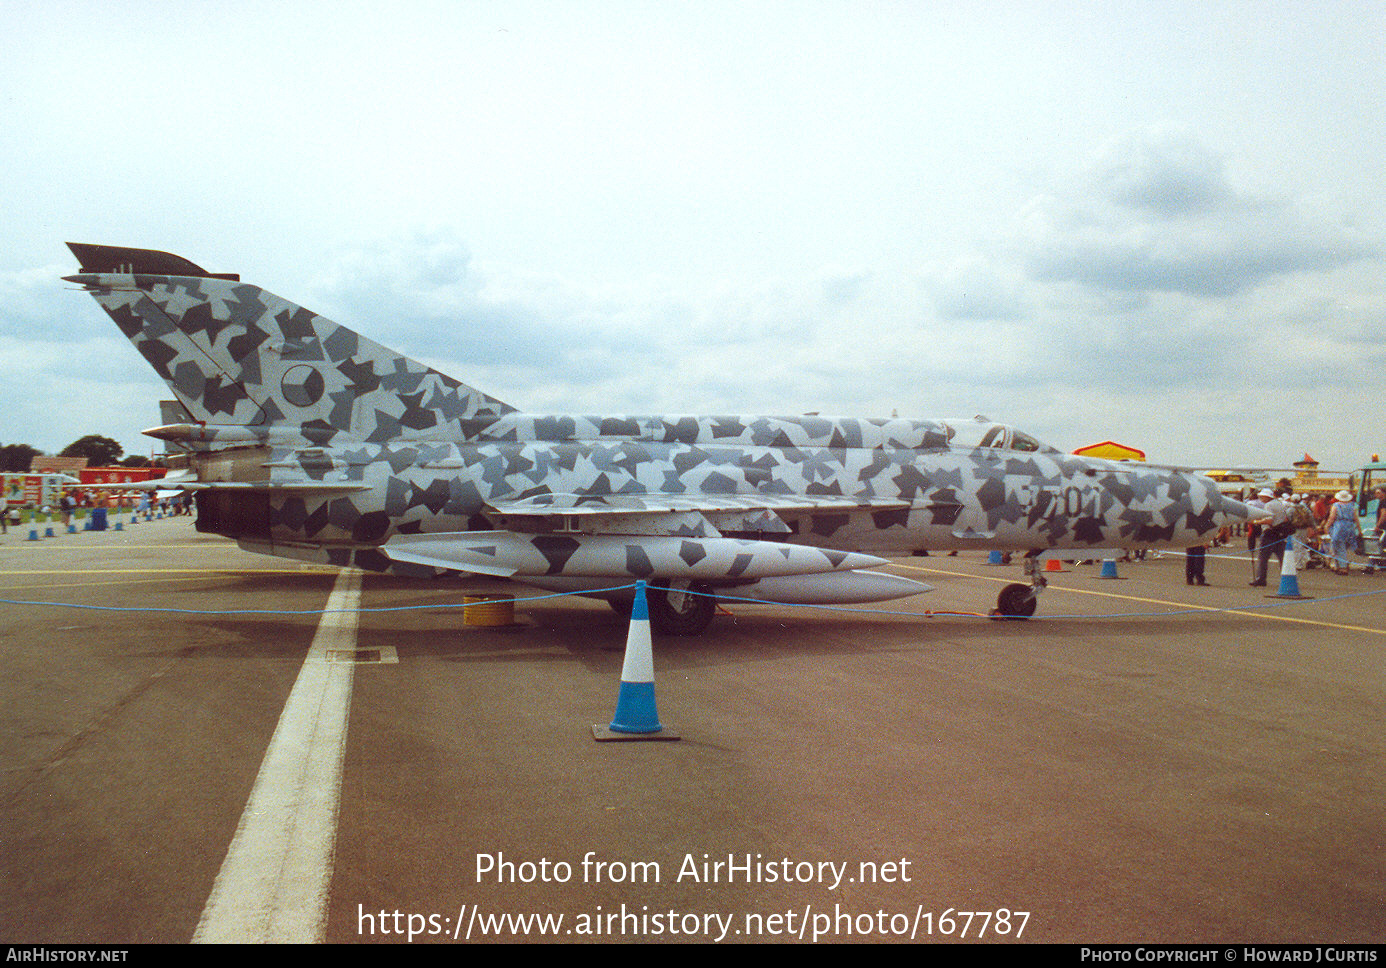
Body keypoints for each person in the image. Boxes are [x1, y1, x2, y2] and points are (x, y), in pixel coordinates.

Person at [1252, 489, 1292, 587]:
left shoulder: (1268, 505)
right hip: (1280, 533)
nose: (1261, 498)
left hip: (1269, 534)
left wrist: (1256, 522)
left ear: (1267, 497)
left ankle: (1261, 579)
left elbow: (1269, 520)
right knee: (1282, 557)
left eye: (1262, 496)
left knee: (1263, 558)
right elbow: (1285, 518)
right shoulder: (1280, 504)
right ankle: (1287, 578)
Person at [1324, 489, 1361, 575]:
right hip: (1350, 527)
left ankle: (1343, 567)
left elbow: (1332, 518)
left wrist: (1327, 526)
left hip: (1339, 527)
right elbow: (1356, 518)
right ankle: (1339, 565)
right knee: (1343, 547)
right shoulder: (1352, 506)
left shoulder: (1336, 505)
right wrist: (1359, 529)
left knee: (1339, 547)